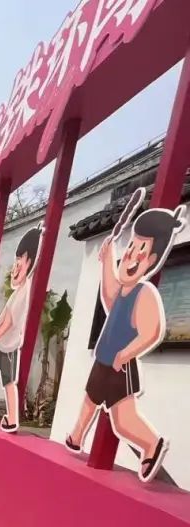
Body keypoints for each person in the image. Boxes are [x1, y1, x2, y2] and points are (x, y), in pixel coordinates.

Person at [65, 198, 184, 482]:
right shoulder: (124, 291)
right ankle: (77, 434)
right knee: (90, 398)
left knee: (122, 418)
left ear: (152, 261)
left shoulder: (144, 294)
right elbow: (108, 297)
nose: (130, 256)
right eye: (130, 247)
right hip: (104, 359)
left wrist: (126, 353)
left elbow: (152, 331)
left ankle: (151, 444)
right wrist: (108, 259)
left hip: (120, 365)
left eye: (140, 252)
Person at [0, 227, 42, 433]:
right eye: (15, 261)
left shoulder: (25, 291)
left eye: (19, 262)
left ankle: (13, 418)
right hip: (2, 344)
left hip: (9, 347)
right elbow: (3, 316)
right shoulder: (17, 293)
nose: (14, 267)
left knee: (8, 382)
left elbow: (10, 322)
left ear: (29, 263)